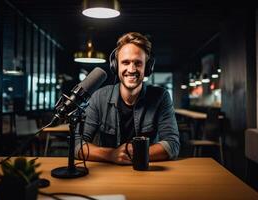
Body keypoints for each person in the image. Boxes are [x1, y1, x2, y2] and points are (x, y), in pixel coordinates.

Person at [75, 32, 180, 165]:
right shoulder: (99, 97)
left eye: (138, 63)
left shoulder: (161, 97)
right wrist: (111, 155)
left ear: (147, 67)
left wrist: (135, 155)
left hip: (147, 175)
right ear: (115, 65)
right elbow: (77, 143)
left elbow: (172, 144)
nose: (131, 69)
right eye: (125, 62)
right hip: (107, 176)